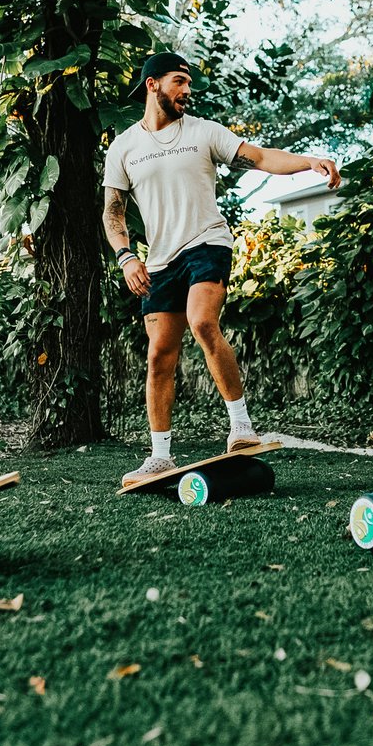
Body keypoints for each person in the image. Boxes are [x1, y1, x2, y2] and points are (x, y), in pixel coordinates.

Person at [103, 52, 341, 487]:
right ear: (152, 85)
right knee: (159, 356)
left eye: (188, 83)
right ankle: (159, 457)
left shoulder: (204, 132)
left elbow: (260, 156)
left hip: (207, 242)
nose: (187, 90)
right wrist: (126, 256)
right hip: (158, 260)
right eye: (179, 81)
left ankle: (242, 428)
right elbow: (112, 214)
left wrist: (308, 161)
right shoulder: (123, 148)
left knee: (203, 323)